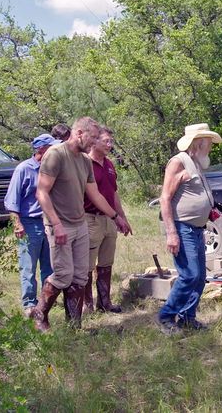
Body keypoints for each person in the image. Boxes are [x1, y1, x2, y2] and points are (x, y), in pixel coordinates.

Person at [31, 116, 131, 331]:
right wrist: (56, 224)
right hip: (60, 225)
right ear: (79, 134)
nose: (95, 142)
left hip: (80, 225)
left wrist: (116, 217)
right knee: (63, 274)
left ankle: (74, 326)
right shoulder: (56, 155)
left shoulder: (85, 161)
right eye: (92, 137)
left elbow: (94, 194)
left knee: (79, 275)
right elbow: (42, 192)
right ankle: (39, 314)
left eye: (97, 138)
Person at [157, 123, 222, 335]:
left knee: (200, 275)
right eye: (209, 143)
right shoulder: (178, 162)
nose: (211, 147)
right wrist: (171, 233)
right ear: (199, 142)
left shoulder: (196, 163)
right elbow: (165, 198)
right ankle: (166, 317)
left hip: (195, 228)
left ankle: (187, 317)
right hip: (181, 227)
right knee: (189, 275)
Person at [4, 134, 59, 317]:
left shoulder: (51, 169)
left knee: (49, 265)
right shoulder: (23, 169)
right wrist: (17, 224)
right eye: (52, 148)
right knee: (28, 266)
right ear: (42, 150)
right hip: (30, 223)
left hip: (49, 222)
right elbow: (12, 201)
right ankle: (29, 303)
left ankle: (47, 300)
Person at [83, 126, 131, 314]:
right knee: (86, 265)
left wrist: (122, 218)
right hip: (90, 219)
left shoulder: (109, 164)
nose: (110, 145)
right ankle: (87, 304)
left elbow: (114, 193)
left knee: (106, 263)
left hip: (110, 220)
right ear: (94, 141)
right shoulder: (85, 163)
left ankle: (105, 303)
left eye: (111, 141)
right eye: (106, 141)